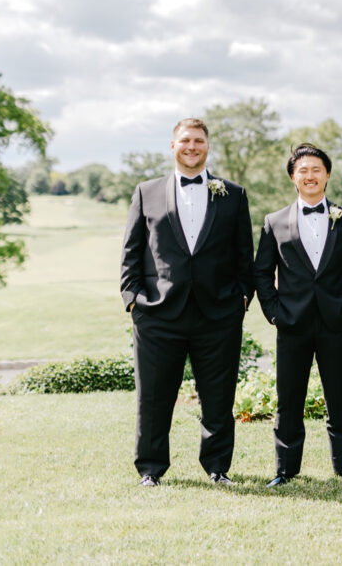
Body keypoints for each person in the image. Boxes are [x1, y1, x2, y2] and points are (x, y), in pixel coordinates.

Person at [120, 118, 254, 487]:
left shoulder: (234, 194)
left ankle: (217, 467)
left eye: (198, 141)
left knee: (218, 397)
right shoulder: (147, 192)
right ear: (173, 145)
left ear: (207, 146)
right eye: (185, 141)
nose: (191, 146)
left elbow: (245, 255)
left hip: (218, 314)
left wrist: (241, 300)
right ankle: (150, 469)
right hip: (158, 313)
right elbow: (132, 252)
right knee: (154, 397)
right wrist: (133, 299)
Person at [254, 143, 342, 487]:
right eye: (302, 170)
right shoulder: (273, 222)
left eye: (316, 169)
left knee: (340, 399)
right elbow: (262, 272)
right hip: (292, 324)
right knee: (289, 400)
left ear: (327, 175)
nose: (310, 175)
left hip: (336, 323)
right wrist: (274, 313)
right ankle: (285, 471)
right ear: (293, 177)